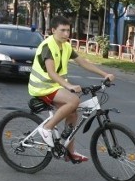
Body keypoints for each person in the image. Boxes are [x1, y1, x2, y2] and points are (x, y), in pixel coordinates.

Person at [29, 15, 115, 161]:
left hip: (56, 87)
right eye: (62, 30)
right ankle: (47, 128)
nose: (66, 34)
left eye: (68, 31)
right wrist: (69, 86)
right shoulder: (47, 46)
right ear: (53, 30)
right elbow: (51, 72)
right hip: (42, 87)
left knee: (73, 113)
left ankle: (70, 152)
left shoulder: (66, 46)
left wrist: (105, 74)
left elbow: (83, 62)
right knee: (73, 101)